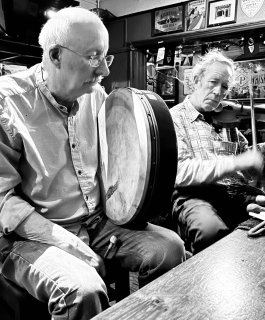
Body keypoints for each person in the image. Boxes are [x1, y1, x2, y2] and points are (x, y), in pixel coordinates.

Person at [0, 7, 186, 320]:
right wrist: (68, 243)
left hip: (93, 220)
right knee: (82, 291)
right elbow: (4, 202)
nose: (103, 70)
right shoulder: (8, 102)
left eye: (106, 57)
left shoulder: (96, 96)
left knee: (170, 249)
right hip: (26, 236)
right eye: (92, 57)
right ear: (56, 55)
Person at [170, 49, 265, 254]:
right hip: (192, 194)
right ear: (196, 80)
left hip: (231, 191)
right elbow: (182, 172)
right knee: (210, 230)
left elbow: (250, 158)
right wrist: (235, 163)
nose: (219, 92)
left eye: (225, 87)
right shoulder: (174, 119)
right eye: (213, 82)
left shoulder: (227, 120)